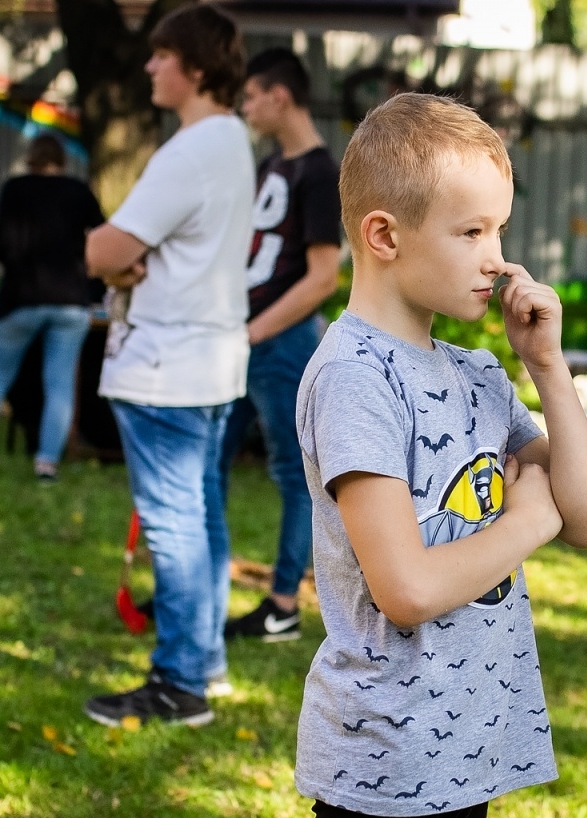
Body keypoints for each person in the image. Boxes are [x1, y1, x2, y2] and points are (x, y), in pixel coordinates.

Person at [277, 93, 587, 818]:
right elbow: (408, 587)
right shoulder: (354, 378)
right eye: (472, 231)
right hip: (393, 755)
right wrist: (525, 520)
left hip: (463, 739)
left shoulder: (473, 375)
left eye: (499, 230)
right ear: (383, 235)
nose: (498, 259)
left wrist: (546, 366)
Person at [81, 3, 253, 727]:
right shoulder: (234, 141)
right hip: (208, 362)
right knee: (202, 517)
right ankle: (202, 663)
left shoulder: (188, 150)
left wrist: (119, 258)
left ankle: (178, 681)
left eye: (162, 55)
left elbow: (103, 251)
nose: (150, 66)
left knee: (176, 524)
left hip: (165, 368)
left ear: (198, 67)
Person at [221, 47, 341, 643]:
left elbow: (324, 277)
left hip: (281, 342)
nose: (244, 106)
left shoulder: (320, 173)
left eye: (250, 95)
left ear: (280, 96)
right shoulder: (272, 167)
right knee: (209, 462)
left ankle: (282, 604)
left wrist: (256, 331)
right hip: (243, 340)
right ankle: (200, 592)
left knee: (294, 476)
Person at [0, 134, 104, 483]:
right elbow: (101, 237)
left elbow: (2, 245)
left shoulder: (15, 189)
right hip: (70, 299)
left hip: (22, 296)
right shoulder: (78, 192)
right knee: (60, 384)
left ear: (31, 157)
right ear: (62, 160)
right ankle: (47, 463)